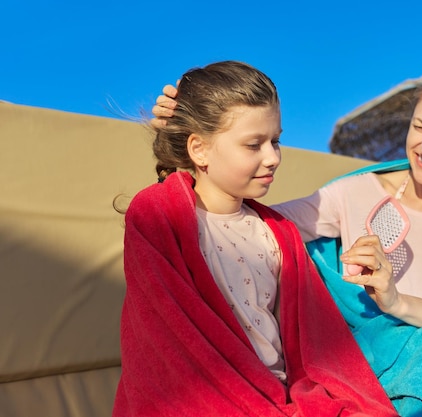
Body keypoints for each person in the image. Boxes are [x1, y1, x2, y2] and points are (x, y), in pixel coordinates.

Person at [152, 64, 422, 416]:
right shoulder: (356, 193)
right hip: (373, 372)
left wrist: (397, 302)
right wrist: (185, 142)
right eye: (420, 127)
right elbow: (244, 222)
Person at [114, 60, 398, 417]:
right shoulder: (158, 215)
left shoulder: (277, 231)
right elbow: (170, 345)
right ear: (199, 149)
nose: (273, 157)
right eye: (253, 145)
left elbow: (316, 347)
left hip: (281, 397)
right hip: (205, 400)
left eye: (276, 141)